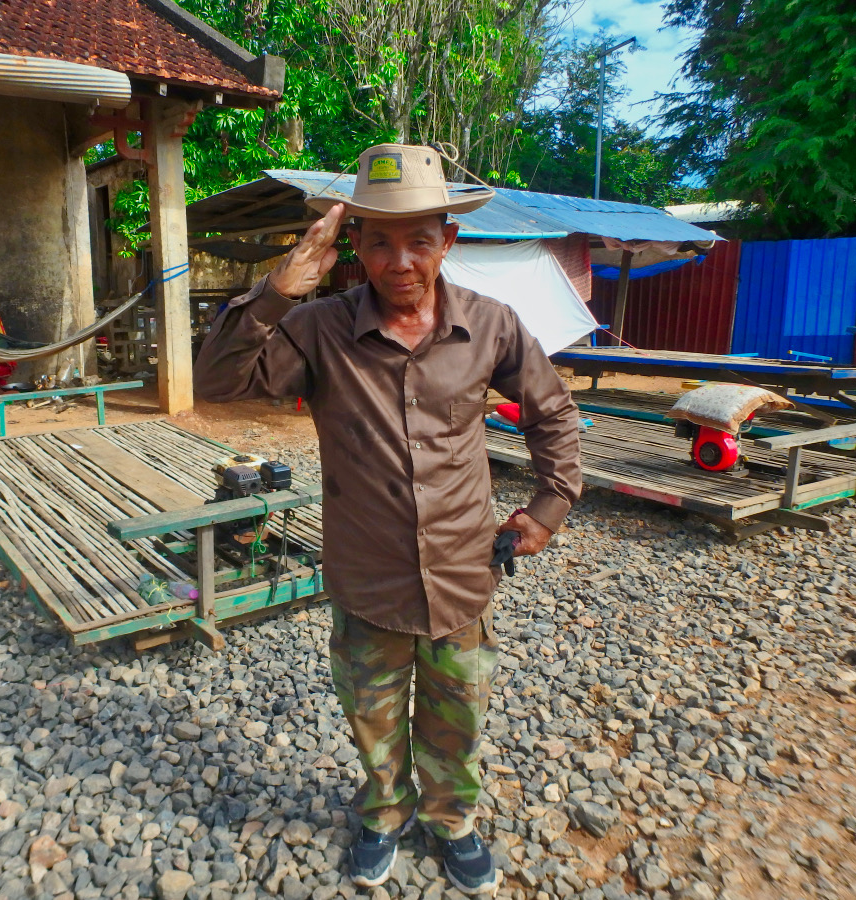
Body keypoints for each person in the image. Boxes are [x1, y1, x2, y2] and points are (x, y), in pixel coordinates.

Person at [194, 144, 582, 894]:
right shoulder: (317, 329)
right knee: (371, 715)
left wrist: (547, 507)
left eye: (418, 241)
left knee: (458, 714)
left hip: (463, 572)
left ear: (448, 240)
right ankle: (384, 813)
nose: (399, 261)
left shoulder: (491, 326)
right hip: (367, 576)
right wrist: (278, 290)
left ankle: (452, 820)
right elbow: (216, 381)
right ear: (355, 245)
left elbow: (554, 412)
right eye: (378, 241)